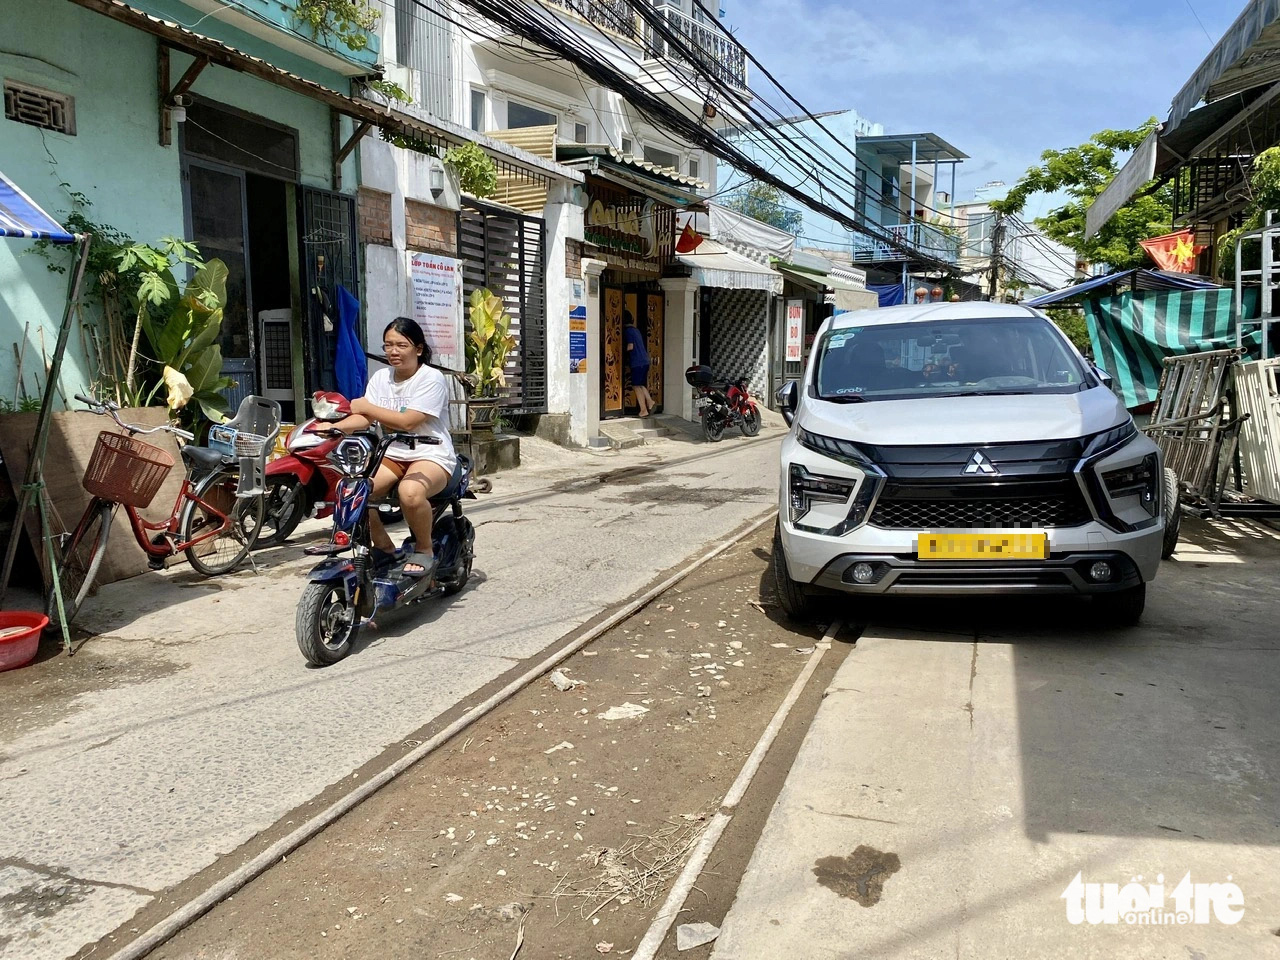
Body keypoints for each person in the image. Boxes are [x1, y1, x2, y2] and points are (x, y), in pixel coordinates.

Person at [334, 318, 458, 581]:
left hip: (431, 453)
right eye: (388, 345)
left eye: (401, 345)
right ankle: (385, 549)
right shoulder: (381, 378)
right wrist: (335, 428)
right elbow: (364, 418)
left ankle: (424, 549)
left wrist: (366, 407)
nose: (393, 351)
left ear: (419, 349)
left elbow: (408, 421)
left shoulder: (431, 378)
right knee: (356, 494)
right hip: (394, 453)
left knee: (410, 493)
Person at [623, 310, 654, 417]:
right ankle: (649, 402)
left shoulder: (628, 331)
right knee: (640, 384)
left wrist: (622, 354)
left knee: (636, 386)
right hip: (645, 361)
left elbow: (630, 346)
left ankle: (644, 409)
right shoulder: (636, 330)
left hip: (637, 362)